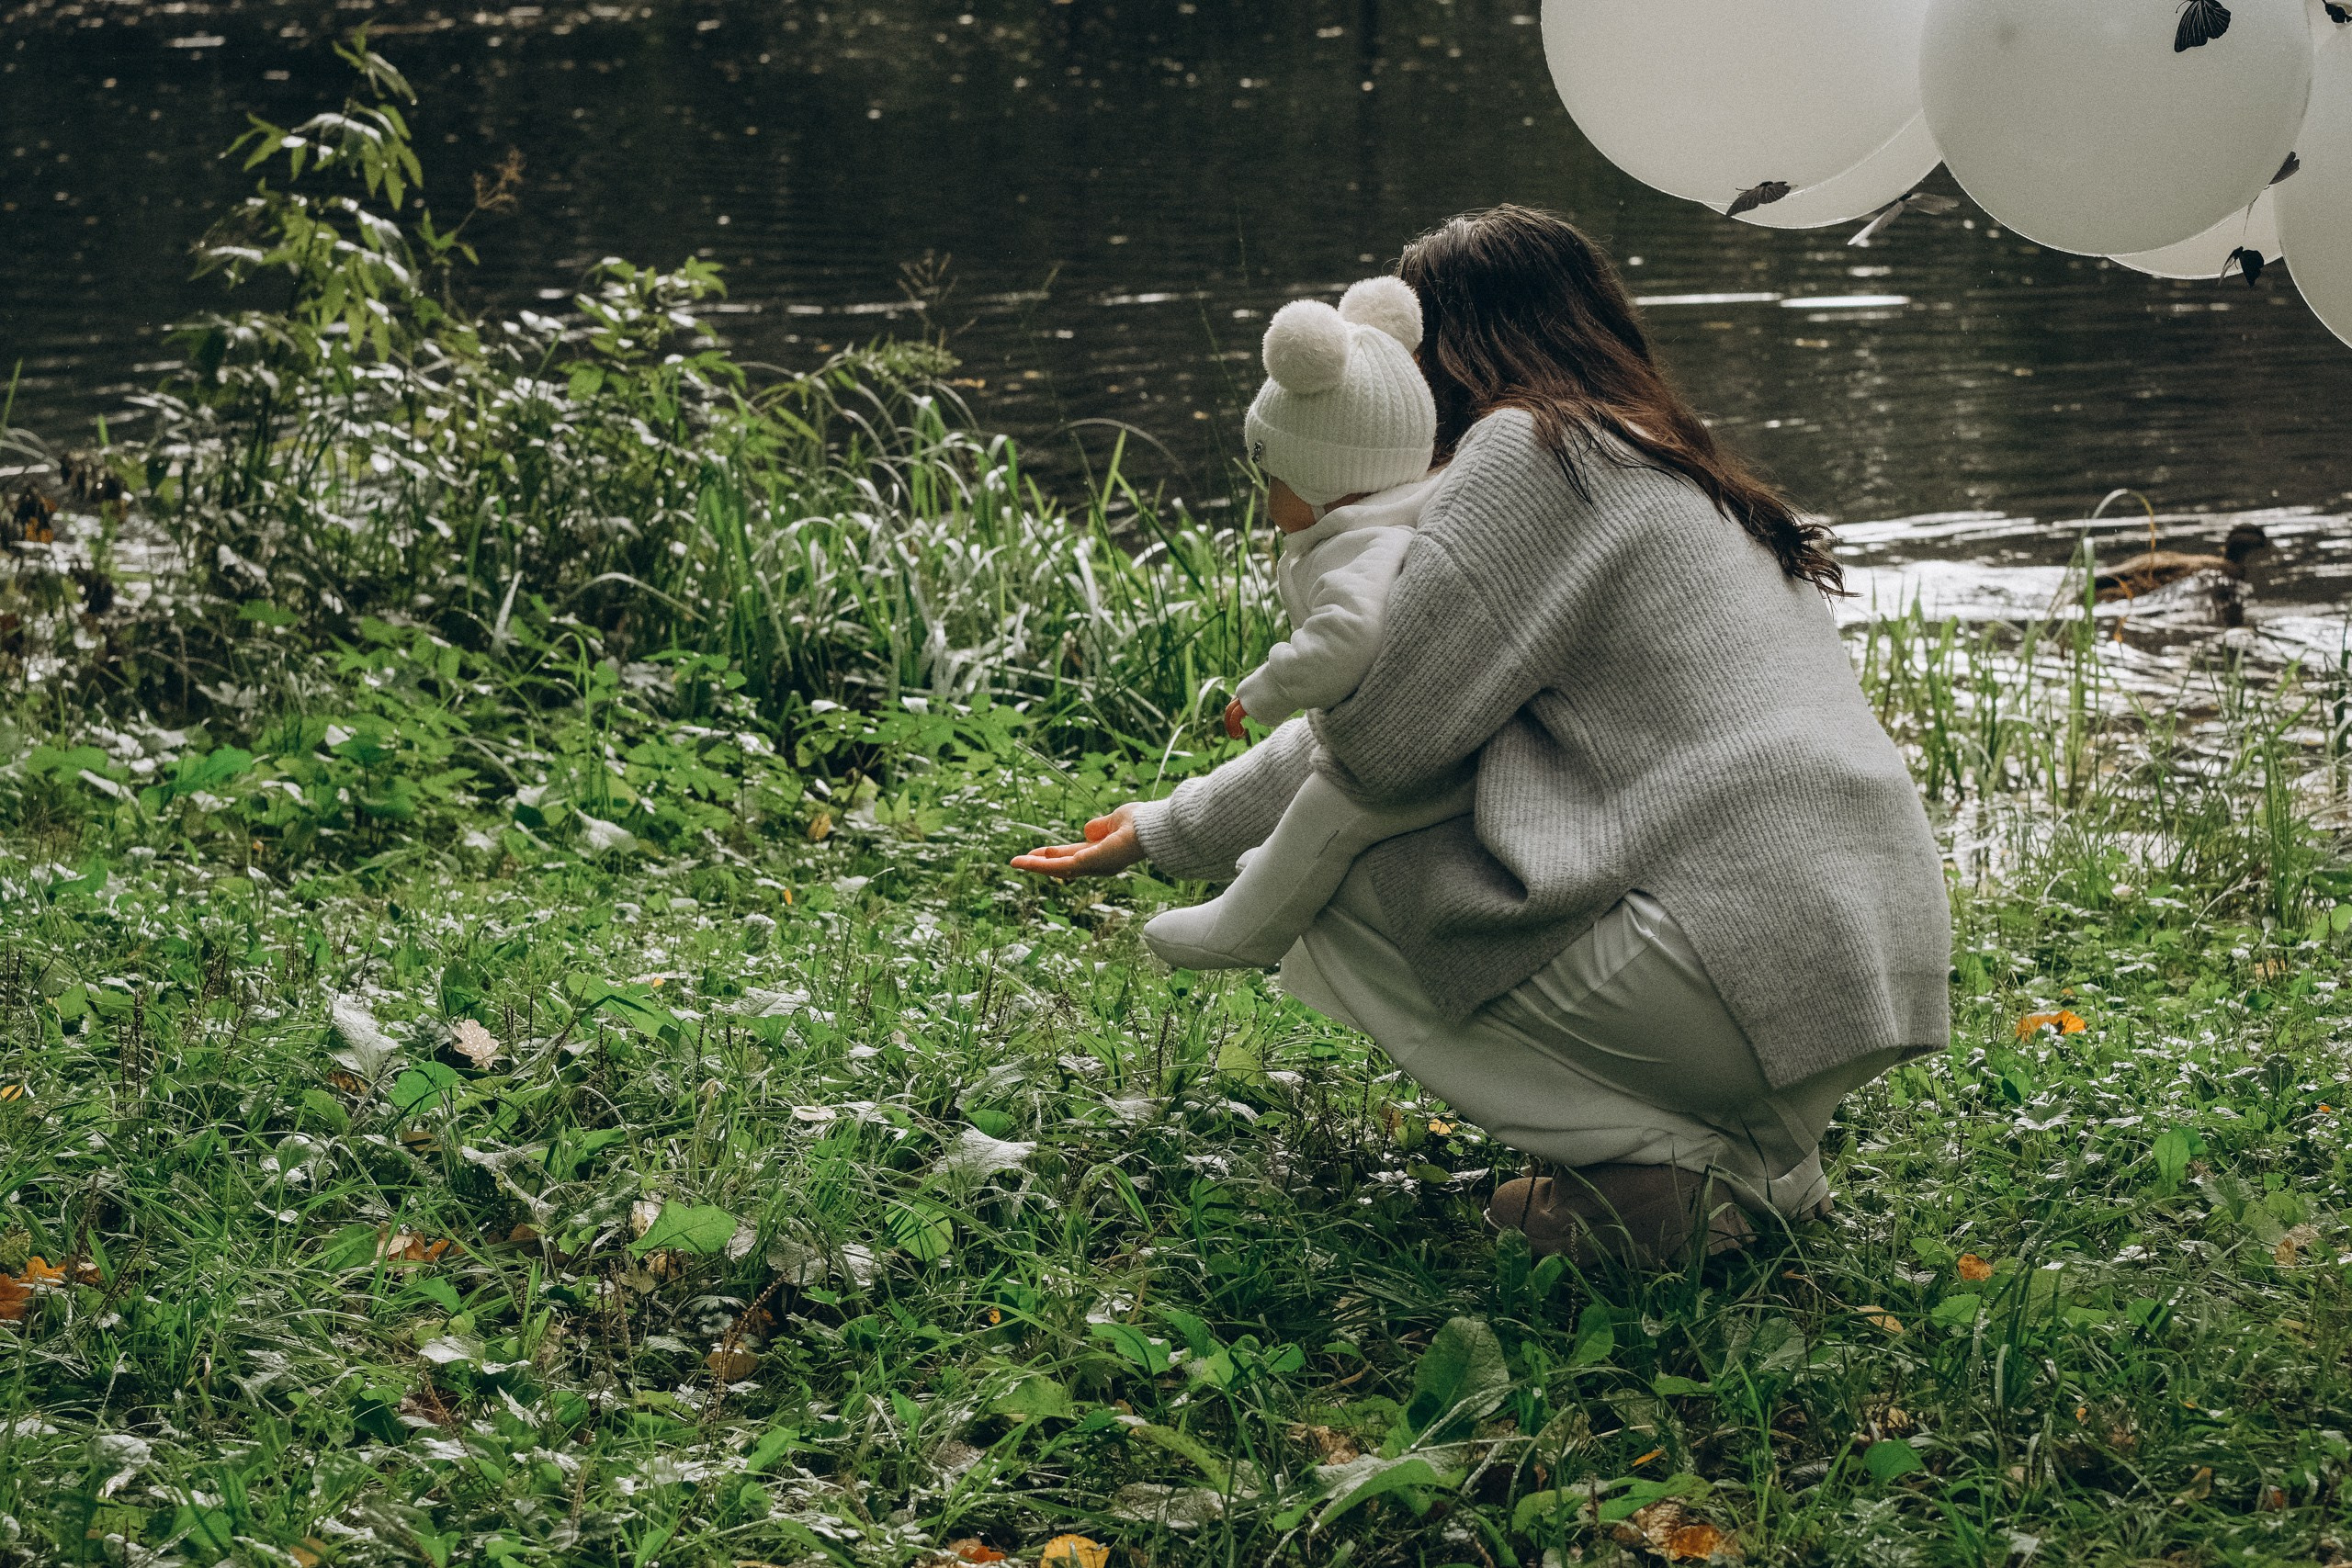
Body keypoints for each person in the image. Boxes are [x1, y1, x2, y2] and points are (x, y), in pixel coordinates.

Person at [1015, 205, 1951, 1269]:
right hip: (1861, 948)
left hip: (1727, 956)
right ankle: (1757, 1165)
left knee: (1346, 862)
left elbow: (1379, 742)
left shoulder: (1531, 450)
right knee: (1404, 808)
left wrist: (1184, 829)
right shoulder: (1669, 462)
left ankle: (1649, 1183)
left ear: (1446, 351)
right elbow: (1409, 713)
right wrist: (1160, 826)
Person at [1140, 275, 1471, 972]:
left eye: (1274, 479)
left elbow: (1346, 640)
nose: (1266, 501)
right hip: (1433, 735)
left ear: (1331, 480)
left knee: (1326, 814)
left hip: (1412, 751)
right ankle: (1265, 885)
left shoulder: (1360, 548)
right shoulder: (1386, 514)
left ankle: (1247, 927)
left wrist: (1266, 688)